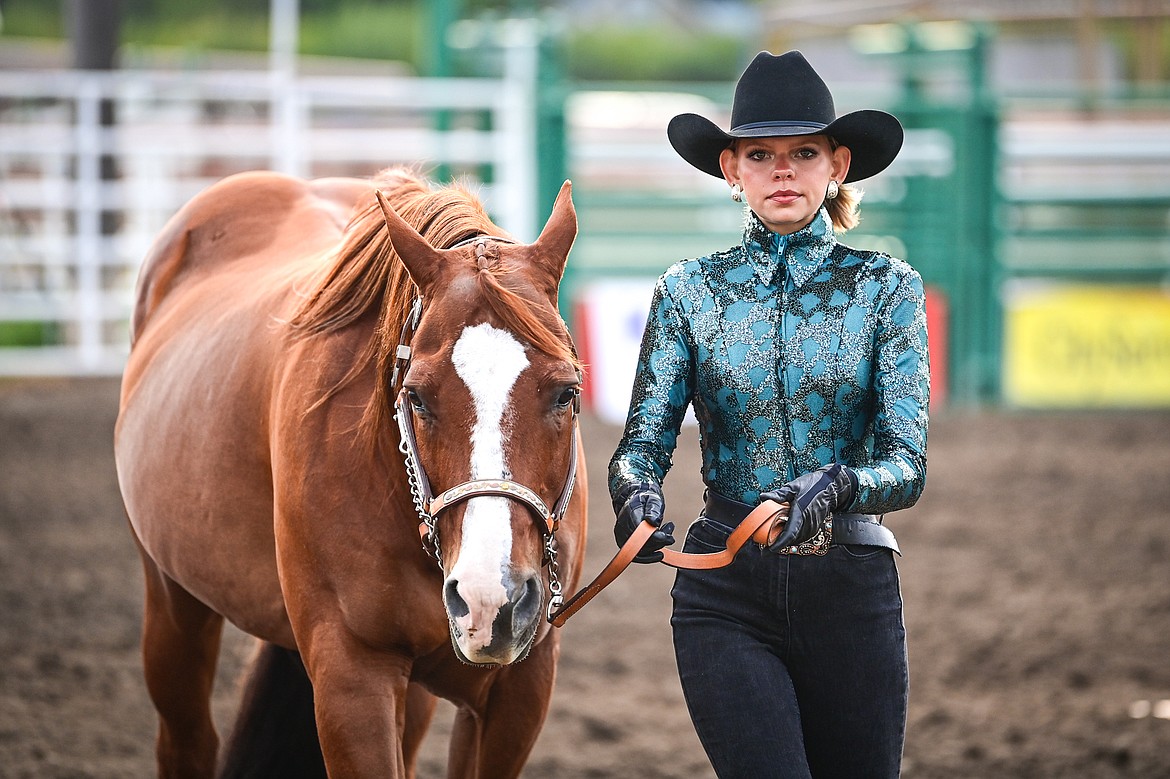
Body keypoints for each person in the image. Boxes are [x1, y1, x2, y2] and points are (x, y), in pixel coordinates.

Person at [608, 50, 930, 778]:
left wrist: (843, 484)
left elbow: (908, 464)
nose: (782, 170)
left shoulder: (888, 289)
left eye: (803, 152)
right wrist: (634, 491)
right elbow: (641, 444)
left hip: (851, 587)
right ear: (732, 170)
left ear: (837, 163)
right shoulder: (688, 292)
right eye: (761, 154)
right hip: (724, 588)